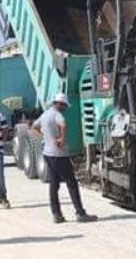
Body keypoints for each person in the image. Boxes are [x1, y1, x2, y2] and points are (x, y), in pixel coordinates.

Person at [31, 93, 97, 224]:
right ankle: (80, 213)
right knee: (72, 183)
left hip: (48, 154)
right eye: (65, 105)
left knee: (54, 184)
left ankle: (56, 215)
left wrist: (44, 137)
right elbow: (63, 124)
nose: (66, 108)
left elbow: (33, 127)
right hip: (59, 155)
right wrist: (61, 138)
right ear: (59, 104)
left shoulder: (45, 114)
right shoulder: (57, 114)